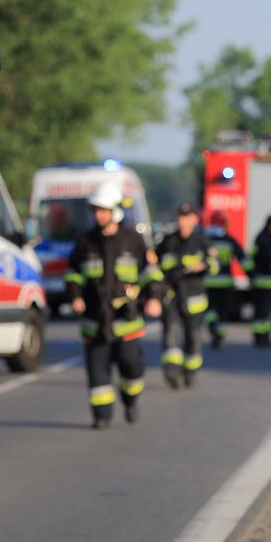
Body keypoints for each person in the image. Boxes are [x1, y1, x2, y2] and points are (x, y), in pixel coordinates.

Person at [65, 182, 164, 428]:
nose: (98, 215)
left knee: (132, 368)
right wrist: (75, 295)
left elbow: (150, 273)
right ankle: (102, 416)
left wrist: (153, 298)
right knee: (98, 374)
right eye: (95, 210)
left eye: (103, 210)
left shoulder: (133, 240)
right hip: (94, 321)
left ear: (115, 211)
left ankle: (130, 400)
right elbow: (73, 273)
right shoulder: (85, 242)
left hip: (126, 322)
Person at [156, 204, 215, 389]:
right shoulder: (167, 241)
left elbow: (215, 265)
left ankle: (190, 371)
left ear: (194, 220)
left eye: (187, 217)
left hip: (195, 298)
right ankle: (171, 370)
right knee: (171, 334)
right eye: (181, 216)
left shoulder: (202, 242)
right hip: (172, 296)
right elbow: (157, 264)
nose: (183, 220)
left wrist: (204, 265)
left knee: (193, 338)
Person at [203, 210, 246, 348]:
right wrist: (253, 275)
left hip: (207, 282)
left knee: (209, 310)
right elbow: (244, 260)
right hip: (225, 283)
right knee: (223, 311)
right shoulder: (229, 240)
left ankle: (213, 327)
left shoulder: (203, 239)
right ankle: (219, 334)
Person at [244, 214, 271, 347]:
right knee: (265, 313)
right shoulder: (268, 238)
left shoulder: (259, 237)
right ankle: (264, 339)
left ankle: (258, 338)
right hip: (267, 281)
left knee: (258, 312)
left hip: (258, 280)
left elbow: (252, 257)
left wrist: (251, 275)